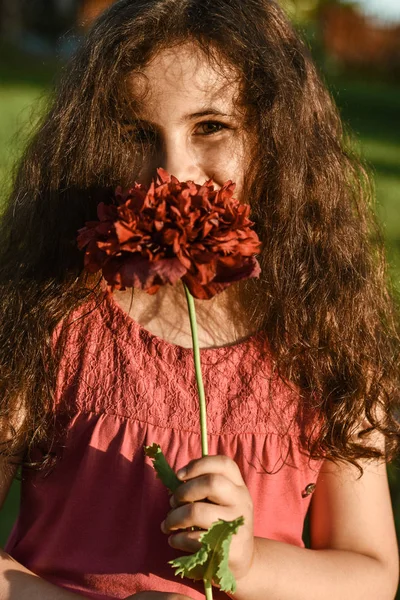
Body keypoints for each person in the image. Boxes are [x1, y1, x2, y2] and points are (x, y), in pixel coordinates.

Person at [0, 0, 399, 599]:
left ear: (276, 137)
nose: (174, 170)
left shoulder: (324, 330)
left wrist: (251, 563)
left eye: (211, 126)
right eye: (138, 134)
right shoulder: (47, 312)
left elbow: (371, 575)